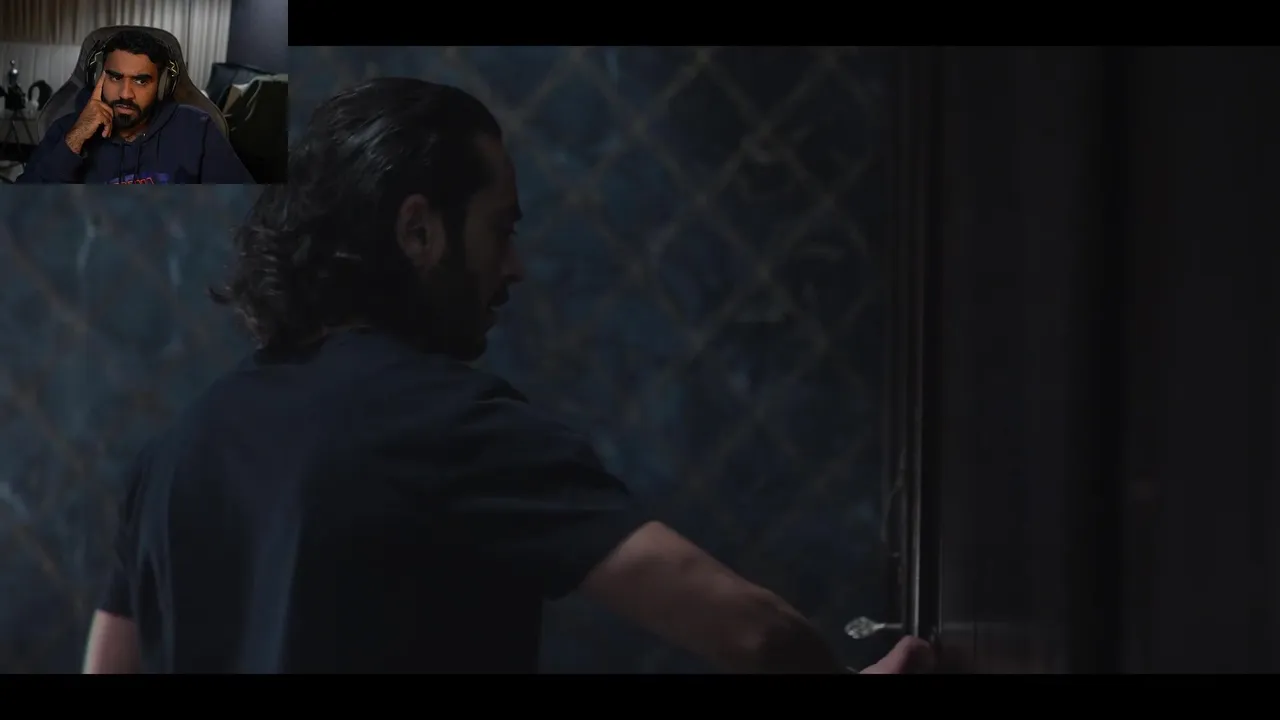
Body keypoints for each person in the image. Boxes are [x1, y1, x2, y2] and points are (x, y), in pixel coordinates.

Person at [82, 78, 933, 674]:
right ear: (418, 231)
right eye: (501, 229)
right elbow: (751, 632)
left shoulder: (170, 457)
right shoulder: (449, 424)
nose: (514, 267)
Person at [17, 29, 251, 184]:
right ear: (98, 77)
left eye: (141, 81)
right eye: (115, 77)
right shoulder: (67, 130)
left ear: (162, 86)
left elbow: (246, 210)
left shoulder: (197, 129)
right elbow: (22, 211)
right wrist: (75, 140)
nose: (125, 94)